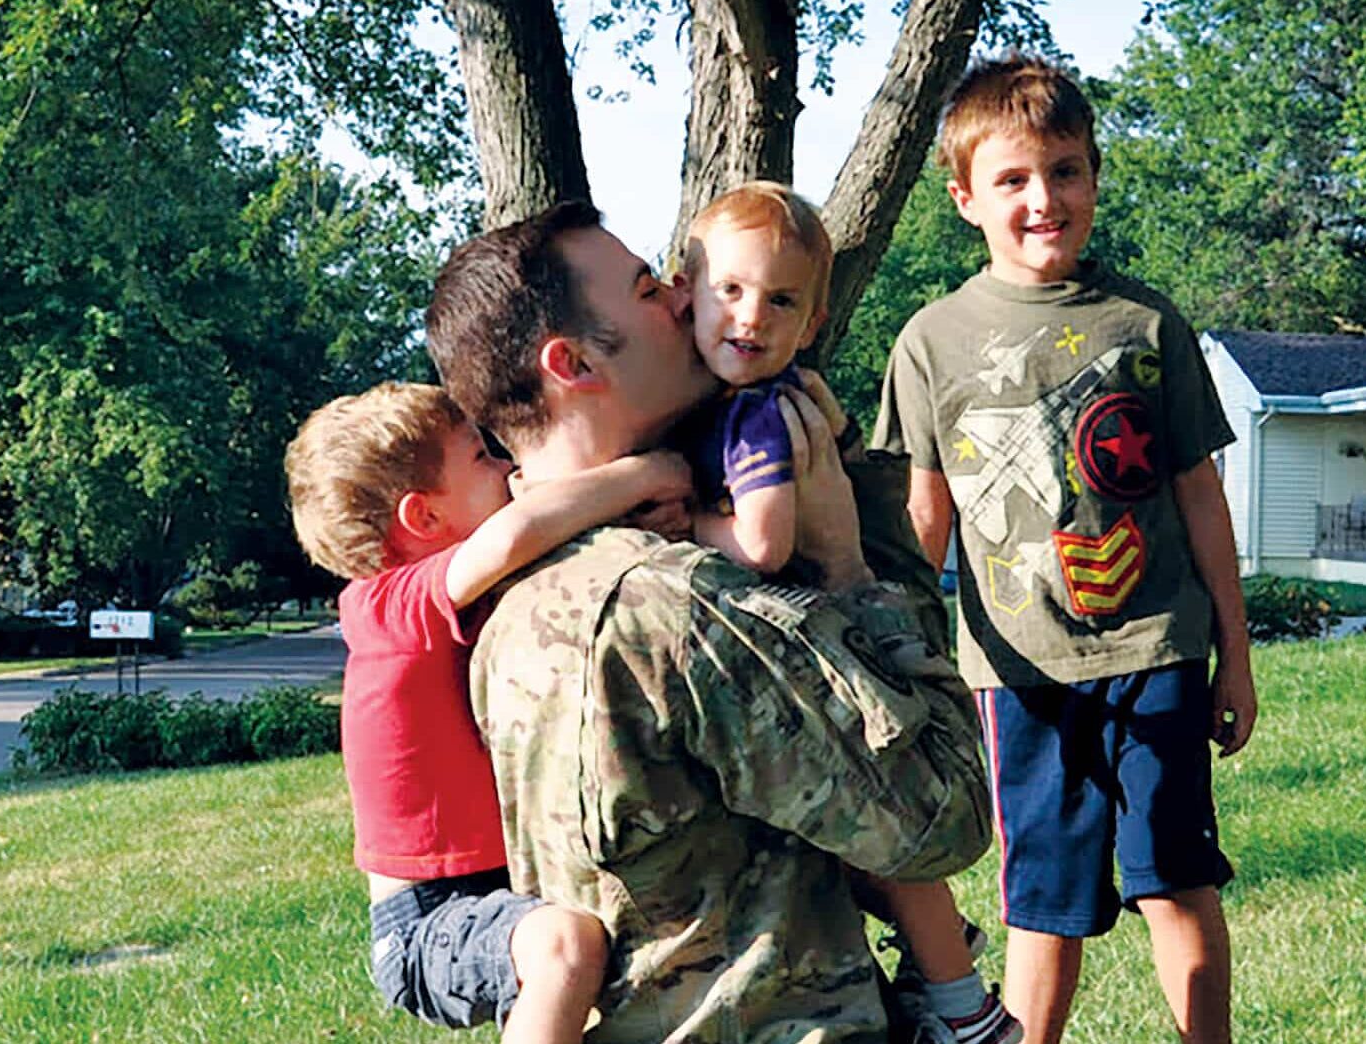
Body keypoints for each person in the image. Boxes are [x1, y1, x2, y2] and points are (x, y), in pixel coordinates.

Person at [423, 200, 993, 1043]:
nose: (688, 298)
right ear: (572, 362)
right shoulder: (678, 604)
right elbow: (941, 814)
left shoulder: (511, 589)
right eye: (651, 288)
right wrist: (848, 562)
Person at [871, 54, 1259, 1044]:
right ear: (963, 197)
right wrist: (896, 661)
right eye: (1011, 179)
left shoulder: (1144, 321)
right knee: (1040, 909)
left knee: (1178, 891)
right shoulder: (929, 341)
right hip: (1018, 677)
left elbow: (1199, 494)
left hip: (1157, 656)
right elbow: (924, 519)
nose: (1042, 198)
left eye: (1065, 170)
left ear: (1091, 176)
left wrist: (1235, 656)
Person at [677, 180, 1021, 1044]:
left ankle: (960, 1001)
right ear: (683, 287)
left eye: (780, 300)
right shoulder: (734, 402)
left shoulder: (757, 413)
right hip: (817, 632)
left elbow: (758, 543)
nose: (749, 316)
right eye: (728, 290)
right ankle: (942, 966)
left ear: (812, 321)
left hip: (836, 630)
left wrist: (680, 524)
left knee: (875, 818)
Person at [285, 381, 692, 1042]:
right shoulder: (385, 605)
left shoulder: (459, 593)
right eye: (481, 457)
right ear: (422, 518)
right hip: (424, 919)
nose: (507, 466)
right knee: (565, 947)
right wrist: (646, 473)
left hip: (501, 879)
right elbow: (516, 534)